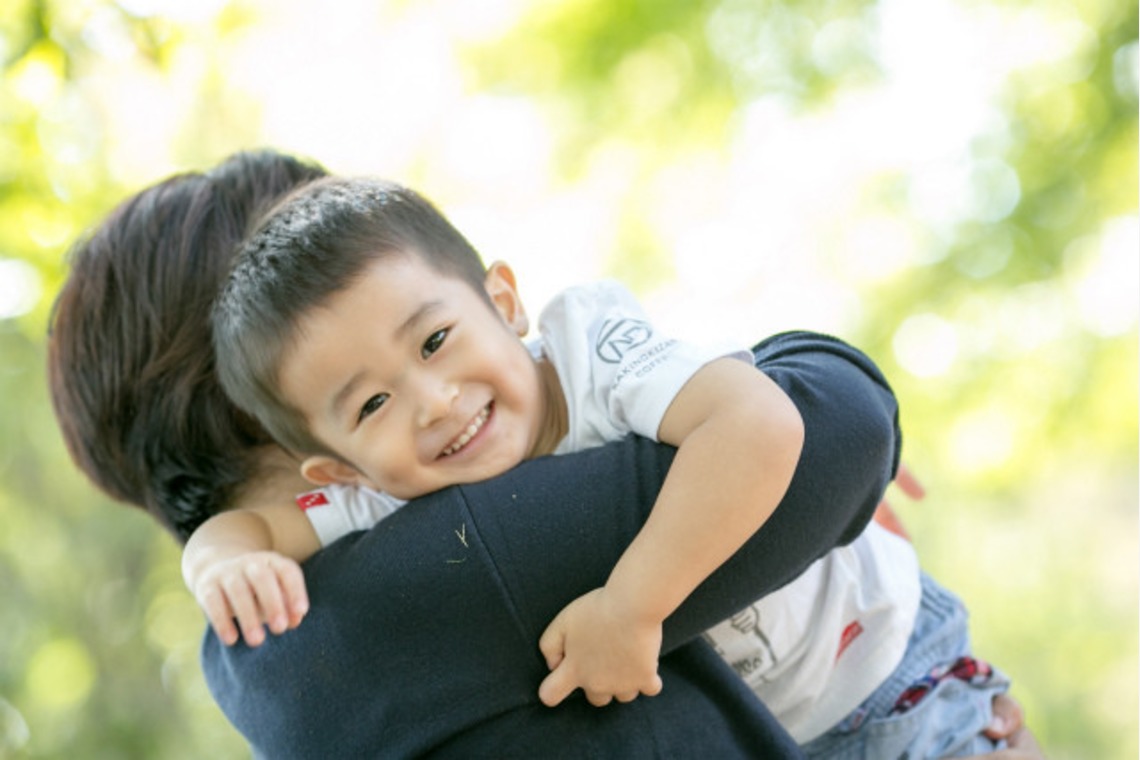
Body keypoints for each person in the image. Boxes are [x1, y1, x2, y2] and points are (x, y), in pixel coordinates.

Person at [47, 150, 1039, 758]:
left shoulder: (277, 654)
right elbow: (835, 426)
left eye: (430, 332)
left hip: (887, 692)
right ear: (279, 413)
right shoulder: (443, 546)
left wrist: (215, 557)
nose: (434, 399)